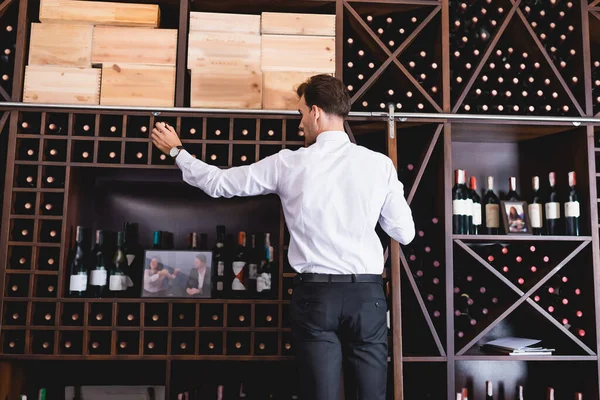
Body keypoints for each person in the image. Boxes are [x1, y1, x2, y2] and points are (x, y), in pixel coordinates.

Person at [151, 74, 415, 400]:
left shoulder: (288, 164)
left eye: (301, 113)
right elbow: (404, 232)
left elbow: (220, 184)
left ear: (316, 112)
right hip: (366, 297)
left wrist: (178, 152)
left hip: (315, 298)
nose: (300, 123)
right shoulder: (379, 165)